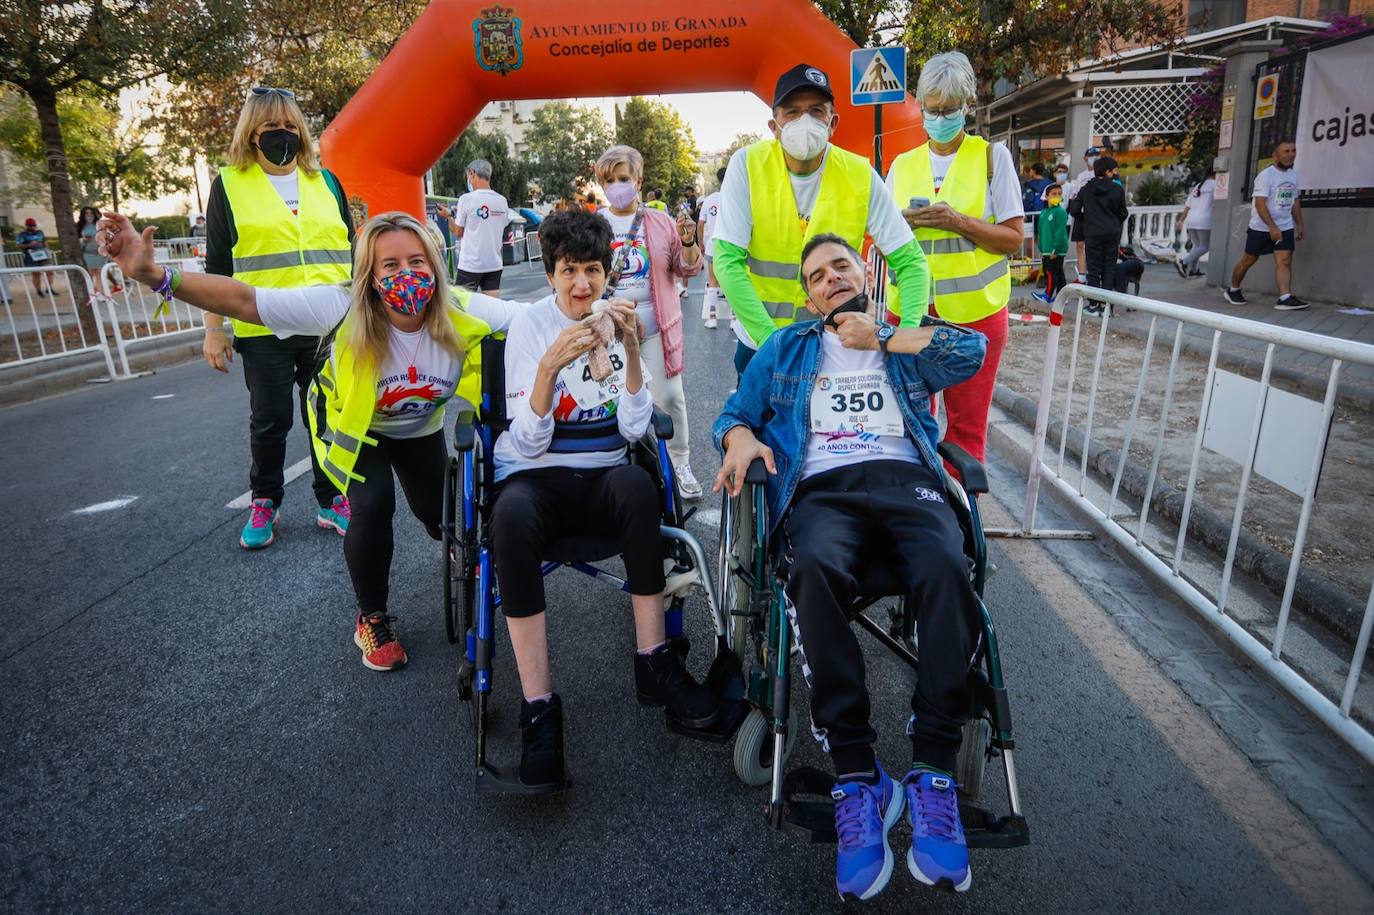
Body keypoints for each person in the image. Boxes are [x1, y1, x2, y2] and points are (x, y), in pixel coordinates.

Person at [100, 209, 519, 671]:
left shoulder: (459, 308)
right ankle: (373, 617)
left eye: (418, 262)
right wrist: (157, 276)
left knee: (441, 515)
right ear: (369, 274)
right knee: (373, 502)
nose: (408, 274)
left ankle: (469, 560)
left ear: (435, 266)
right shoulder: (341, 306)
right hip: (356, 429)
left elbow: (538, 319)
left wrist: (602, 309)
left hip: (419, 427)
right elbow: (245, 301)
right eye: (391, 265)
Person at [713, 234, 987, 899]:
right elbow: (735, 413)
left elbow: (970, 353)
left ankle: (933, 767)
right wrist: (742, 437)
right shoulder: (786, 348)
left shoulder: (901, 336)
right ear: (807, 295)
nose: (830, 278)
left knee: (951, 566)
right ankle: (859, 773)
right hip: (823, 488)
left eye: (840, 265)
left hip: (904, 480)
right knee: (809, 570)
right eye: (816, 275)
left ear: (863, 271)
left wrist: (884, 339)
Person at [490, 208, 717, 789]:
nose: (581, 283)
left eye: (593, 269)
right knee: (509, 518)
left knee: (639, 487)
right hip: (535, 480)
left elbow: (633, 429)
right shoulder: (530, 328)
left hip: (603, 474)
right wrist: (550, 366)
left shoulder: (615, 320)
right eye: (568, 270)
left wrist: (633, 353)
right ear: (550, 275)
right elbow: (528, 441)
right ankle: (539, 707)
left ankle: (654, 661)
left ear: (607, 272)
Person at [202, 86, 355, 550]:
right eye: (271, 127)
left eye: (291, 126)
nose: (283, 134)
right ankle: (265, 499)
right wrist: (214, 331)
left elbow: (350, 248)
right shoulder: (229, 185)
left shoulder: (326, 182)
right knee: (270, 420)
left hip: (327, 324)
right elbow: (217, 266)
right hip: (262, 326)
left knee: (326, 417)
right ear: (252, 132)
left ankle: (332, 499)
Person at [713, 62, 929, 378]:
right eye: (792, 112)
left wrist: (906, 340)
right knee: (756, 427)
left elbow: (911, 264)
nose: (805, 121)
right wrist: (772, 342)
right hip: (762, 344)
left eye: (816, 111)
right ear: (774, 126)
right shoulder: (747, 166)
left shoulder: (860, 175)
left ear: (833, 123)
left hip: (838, 346)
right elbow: (726, 261)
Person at [886, 50, 1023, 466]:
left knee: (965, 430)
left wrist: (958, 221)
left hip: (975, 316)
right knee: (908, 422)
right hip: (909, 312)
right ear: (921, 106)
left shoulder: (991, 160)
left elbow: (1014, 239)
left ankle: (962, 519)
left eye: (949, 109)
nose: (940, 117)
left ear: (967, 106)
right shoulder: (902, 164)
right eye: (932, 109)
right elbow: (878, 239)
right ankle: (920, 512)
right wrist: (899, 228)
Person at [594, 145, 706, 498]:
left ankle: (681, 463)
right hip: (608, 331)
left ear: (639, 180)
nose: (617, 186)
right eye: (609, 180)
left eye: (623, 178)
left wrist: (688, 241)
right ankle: (613, 467)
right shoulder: (594, 223)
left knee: (670, 397)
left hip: (657, 326)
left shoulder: (660, 222)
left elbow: (687, 268)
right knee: (607, 400)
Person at [1225, 140, 1306, 310]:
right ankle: (1233, 289)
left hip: (1285, 225)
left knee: (1284, 260)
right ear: (1275, 155)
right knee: (1249, 259)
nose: (1291, 154)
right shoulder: (1266, 176)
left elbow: (1295, 201)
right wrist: (1272, 228)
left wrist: (1300, 224)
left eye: (1293, 150)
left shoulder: (1294, 175)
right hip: (1261, 227)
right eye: (1286, 151)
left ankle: (1284, 297)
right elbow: (1260, 204)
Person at [438, 159, 509, 294]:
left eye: (468, 176)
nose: (468, 180)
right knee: (491, 309)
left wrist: (448, 217)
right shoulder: (502, 201)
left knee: (461, 307)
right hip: (494, 263)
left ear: (472, 173)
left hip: (471, 265)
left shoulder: (466, 199)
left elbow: (458, 232)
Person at [1067, 155, 1128, 312]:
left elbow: (1074, 209)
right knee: (1109, 267)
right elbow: (1123, 213)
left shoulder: (1086, 189)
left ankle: (1093, 303)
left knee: (1093, 268)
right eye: (1114, 170)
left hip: (1092, 233)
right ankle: (1106, 304)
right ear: (1108, 171)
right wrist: (1114, 222)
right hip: (1112, 232)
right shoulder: (1117, 189)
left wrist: (1086, 220)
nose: (1115, 173)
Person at [697, 166, 734, 329]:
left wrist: (700, 244)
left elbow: (700, 224)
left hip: (714, 244)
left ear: (718, 180)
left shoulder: (710, 200)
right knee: (732, 281)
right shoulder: (737, 198)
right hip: (733, 245)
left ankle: (712, 317)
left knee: (712, 281)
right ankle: (734, 319)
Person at [1066, 147, 1101, 282]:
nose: (1094, 158)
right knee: (1080, 244)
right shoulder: (1081, 176)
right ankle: (1082, 276)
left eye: (1097, 155)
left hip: (1095, 215)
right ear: (1085, 158)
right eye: (1092, 155)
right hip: (1082, 214)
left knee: (1093, 246)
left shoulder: (1100, 174)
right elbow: (1076, 196)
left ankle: (1094, 275)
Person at [1175, 168, 1215, 278]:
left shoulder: (1198, 186)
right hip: (1204, 221)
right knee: (1204, 247)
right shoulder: (1215, 185)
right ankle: (1183, 262)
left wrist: (1181, 220)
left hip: (1191, 220)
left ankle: (1193, 270)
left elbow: (1187, 206)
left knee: (1197, 246)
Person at [1034, 183, 1069, 304]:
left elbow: (1060, 233)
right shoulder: (1044, 213)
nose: (1057, 196)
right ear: (1046, 196)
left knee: (1051, 273)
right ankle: (1062, 297)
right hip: (1046, 250)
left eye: (1059, 194)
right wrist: (1041, 249)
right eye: (1054, 194)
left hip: (1055, 250)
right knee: (1058, 273)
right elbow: (1041, 231)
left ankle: (1047, 295)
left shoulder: (1060, 212)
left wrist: (1055, 249)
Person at [16, 218, 58, 295]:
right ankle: (38, 290)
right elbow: (18, 246)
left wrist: (47, 249)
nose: (32, 227)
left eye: (33, 226)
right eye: (30, 226)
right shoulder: (22, 234)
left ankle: (49, 288)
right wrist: (29, 245)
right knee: (36, 273)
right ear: (27, 226)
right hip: (30, 256)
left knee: (50, 271)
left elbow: (44, 242)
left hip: (43, 254)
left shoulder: (40, 232)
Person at [77, 206, 109, 290]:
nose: (89, 215)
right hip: (87, 254)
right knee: (89, 274)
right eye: (86, 213)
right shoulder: (79, 226)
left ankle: (100, 294)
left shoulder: (100, 224)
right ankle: (91, 294)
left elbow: (107, 237)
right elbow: (75, 242)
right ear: (83, 215)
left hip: (100, 253)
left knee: (100, 274)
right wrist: (83, 240)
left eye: (91, 213)